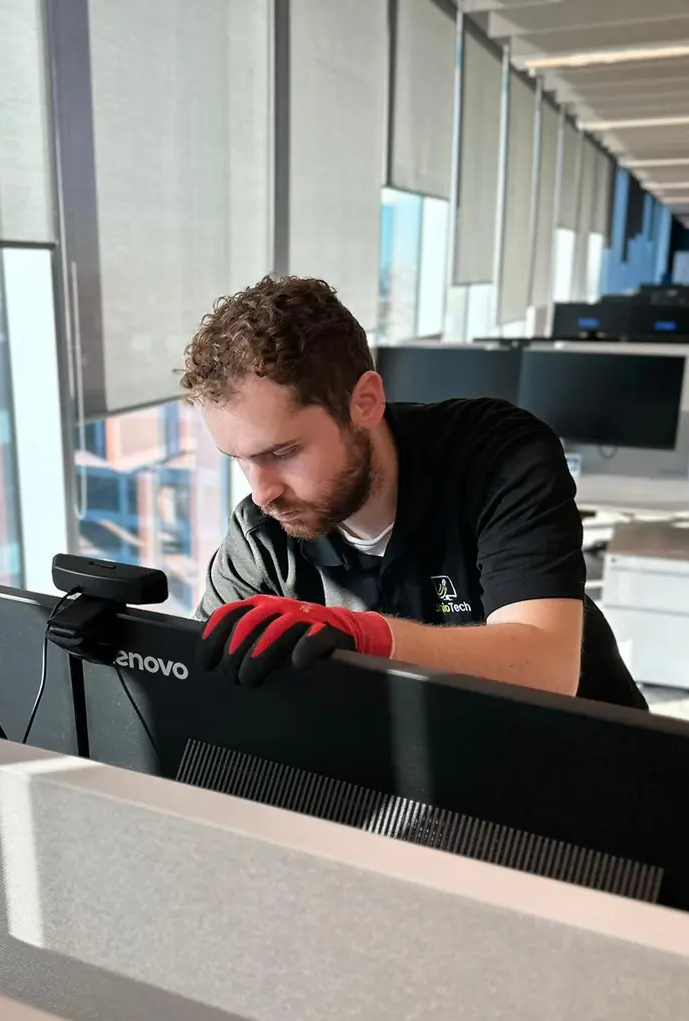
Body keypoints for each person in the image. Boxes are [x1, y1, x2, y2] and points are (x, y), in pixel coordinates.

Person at [180, 275, 646, 710]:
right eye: (238, 459)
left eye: (283, 452)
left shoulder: (498, 456)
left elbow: (545, 667)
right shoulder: (261, 537)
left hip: (584, 750)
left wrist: (363, 637)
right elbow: (202, 684)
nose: (261, 493)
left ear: (364, 402)